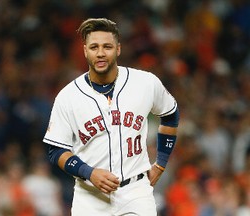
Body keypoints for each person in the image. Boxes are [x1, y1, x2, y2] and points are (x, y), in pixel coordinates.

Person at [43, 18, 179, 216]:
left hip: (136, 192)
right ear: (85, 51)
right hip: (89, 196)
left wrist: (161, 163)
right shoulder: (68, 96)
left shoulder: (145, 83)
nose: (100, 53)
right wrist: (89, 173)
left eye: (107, 46)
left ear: (118, 49)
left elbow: (170, 114)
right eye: (94, 47)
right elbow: (56, 150)